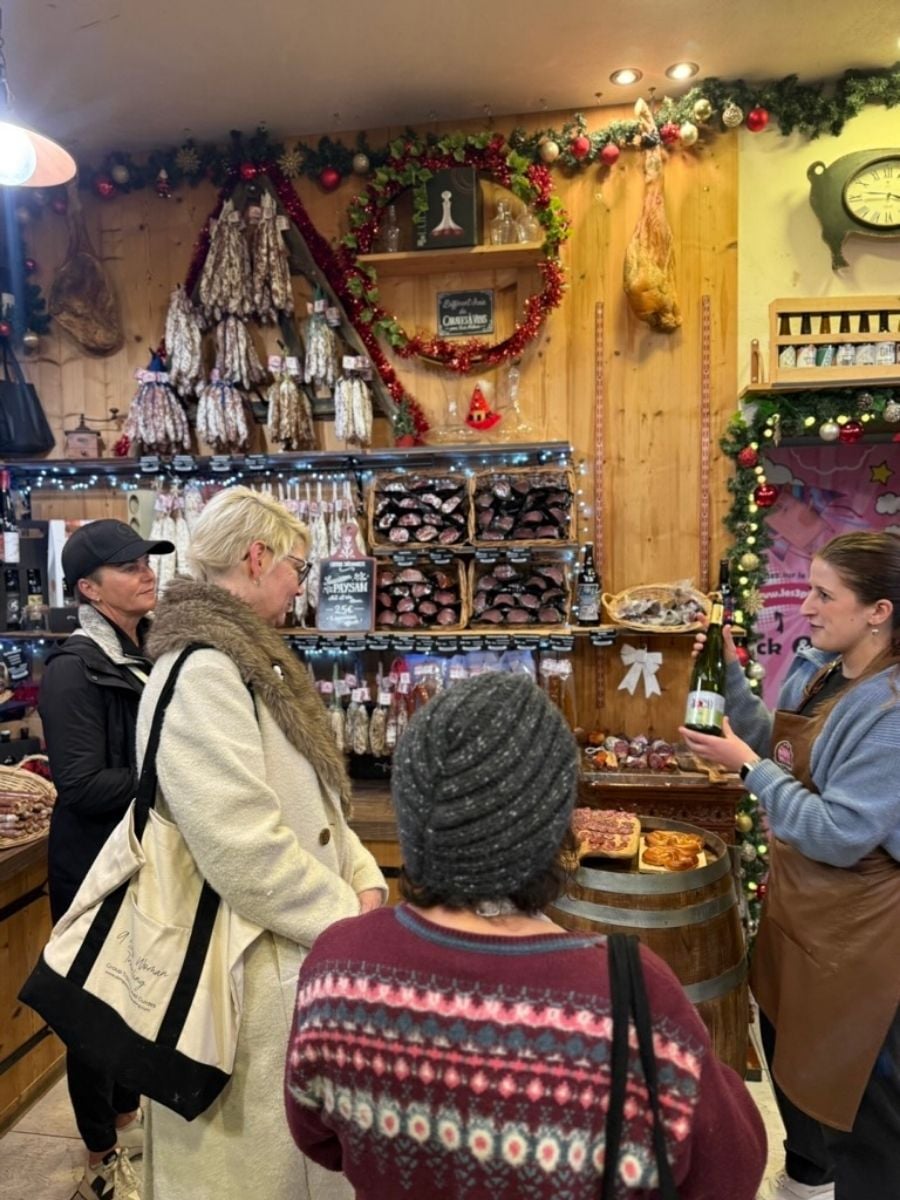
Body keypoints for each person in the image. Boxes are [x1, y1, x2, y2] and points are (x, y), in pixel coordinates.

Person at [285, 672, 767, 1200]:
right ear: (554, 821)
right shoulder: (631, 995)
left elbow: (320, 1139)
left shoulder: (337, 964)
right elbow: (728, 1170)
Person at [135, 486, 386, 1200]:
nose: (299, 585)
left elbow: (316, 802)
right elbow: (241, 847)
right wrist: (349, 915)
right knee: (250, 1171)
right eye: (297, 569)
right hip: (243, 976)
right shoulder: (202, 672)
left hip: (285, 956)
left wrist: (361, 875)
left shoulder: (250, 663)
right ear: (257, 556)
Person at [680, 531, 900, 1200]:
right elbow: (777, 751)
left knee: (862, 1104)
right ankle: (806, 1180)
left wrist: (742, 768)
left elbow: (838, 833)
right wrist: (729, 674)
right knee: (788, 1060)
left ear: (879, 612)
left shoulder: (889, 712)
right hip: (799, 909)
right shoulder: (822, 667)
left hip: (861, 932)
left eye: (824, 594)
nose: (805, 606)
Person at [39, 518, 175, 1200]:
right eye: (128, 565)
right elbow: (83, 786)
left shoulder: (147, 653)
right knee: (94, 1015)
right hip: (93, 866)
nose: (146, 571)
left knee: (138, 998)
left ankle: (127, 1117)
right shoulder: (73, 668)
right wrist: (177, 772)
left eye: (146, 559)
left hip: (139, 861)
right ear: (90, 589)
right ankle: (100, 1154)